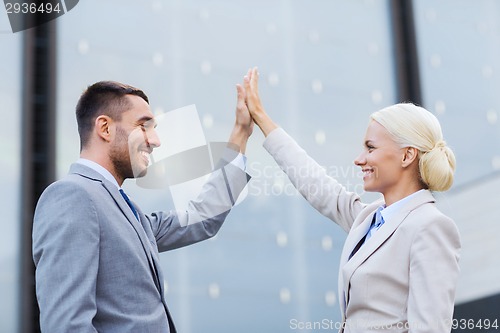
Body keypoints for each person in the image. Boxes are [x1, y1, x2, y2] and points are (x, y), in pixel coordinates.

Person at [241, 68, 460, 332]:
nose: (359, 159)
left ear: (407, 156)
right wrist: (262, 119)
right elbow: (317, 185)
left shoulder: (430, 226)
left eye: (371, 147)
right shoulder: (369, 218)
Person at [32, 81, 252, 333]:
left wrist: (241, 132)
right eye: (143, 126)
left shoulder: (128, 211)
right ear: (105, 128)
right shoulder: (72, 196)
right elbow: (67, 326)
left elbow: (202, 219)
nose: (155, 141)